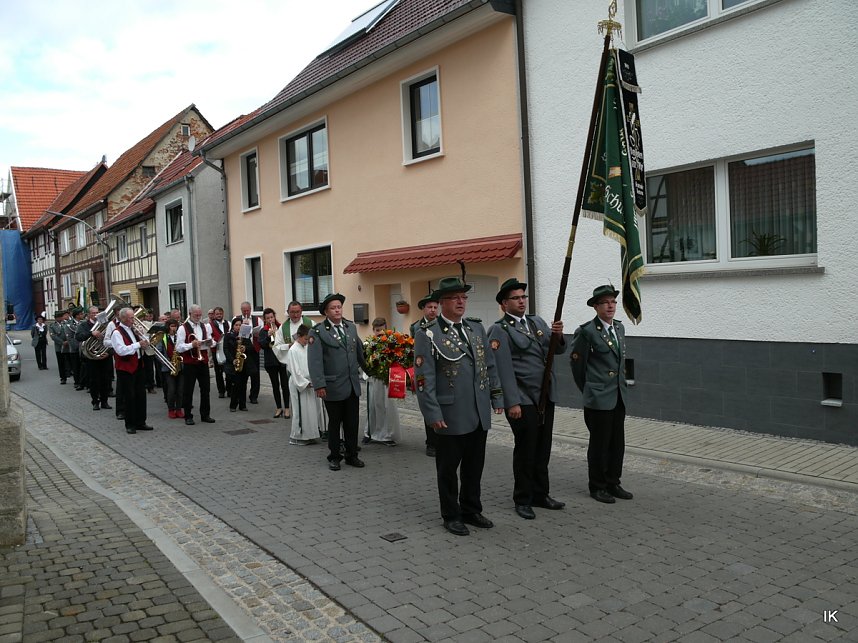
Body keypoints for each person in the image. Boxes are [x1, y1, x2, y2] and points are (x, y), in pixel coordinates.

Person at [414, 277, 504, 536]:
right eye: (455, 298)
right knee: (448, 468)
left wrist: (497, 397)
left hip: (478, 411)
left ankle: (471, 509)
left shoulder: (476, 329)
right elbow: (423, 379)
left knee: (474, 466)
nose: (461, 302)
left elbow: (490, 366)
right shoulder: (428, 333)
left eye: (464, 297)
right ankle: (451, 514)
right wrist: (432, 413)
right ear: (442, 302)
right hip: (450, 413)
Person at [488, 278, 566, 520]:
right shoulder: (500, 330)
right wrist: (511, 402)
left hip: (545, 394)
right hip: (523, 399)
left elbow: (556, 350)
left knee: (543, 447)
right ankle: (522, 499)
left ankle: (541, 494)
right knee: (526, 449)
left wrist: (558, 335)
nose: (521, 301)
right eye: (515, 298)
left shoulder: (535, 322)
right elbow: (502, 369)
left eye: (523, 296)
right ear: (504, 304)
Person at [571, 285, 632, 504]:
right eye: (605, 302)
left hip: (618, 395)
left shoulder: (619, 328)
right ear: (596, 307)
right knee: (599, 444)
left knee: (617, 443)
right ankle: (597, 486)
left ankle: (613, 482)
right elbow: (578, 366)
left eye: (613, 302)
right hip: (598, 397)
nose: (610, 306)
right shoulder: (587, 332)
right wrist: (590, 389)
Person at [308, 293, 368, 471]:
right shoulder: (318, 332)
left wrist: (371, 371)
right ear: (326, 312)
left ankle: (351, 455)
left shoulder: (350, 327)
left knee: (352, 423)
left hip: (352, 385)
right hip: (332, 386)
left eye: (339, 307)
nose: (337, 310)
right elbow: (315, 361)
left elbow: (359, 352)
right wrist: (319, 384)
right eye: (333, 308)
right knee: (334, 423)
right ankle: (334, 456)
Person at [111, 307, 153, 434]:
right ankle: (130, 424)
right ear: (123, 318)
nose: (133, 320)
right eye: (131, 318)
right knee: (129, 397)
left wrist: (143, 338)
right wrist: (138, 344)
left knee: (141, 395)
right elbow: (121, 350)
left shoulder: (133, 330)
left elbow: (142, 344)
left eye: (133, 317)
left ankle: (141, 422)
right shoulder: (117, 333)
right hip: (126, 368)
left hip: (138, 365)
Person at [410, 292, 440, 457]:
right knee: (429, 406)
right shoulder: (416, 327)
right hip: (425, 371)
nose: (433, 310)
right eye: (430, 307)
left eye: (435, 307)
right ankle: (431, 443)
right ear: (423, 309)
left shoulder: (442, 324)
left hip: (440, 371)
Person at [273, 301, 315, 417]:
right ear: (288, 312)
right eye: (292, 312)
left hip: (310, 364)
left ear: (301, 311)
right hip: (294, 367)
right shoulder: (283, 328)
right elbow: (276, 347)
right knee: (299, 402)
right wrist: (289, 346)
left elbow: (318, 340)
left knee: (313, 403)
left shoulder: (310, 323)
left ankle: (313, 422)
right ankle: (300, 422)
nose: (295, 315)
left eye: (297, 312)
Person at [363, 317, 401, 446]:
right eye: (377, 330)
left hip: (386, 381)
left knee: (388, 407)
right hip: (373, 380)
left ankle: (388, 435)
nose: (379, 333)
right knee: (373, 407)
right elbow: (363, 362)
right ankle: (370, 433)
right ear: (373, 330)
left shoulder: (391, 345)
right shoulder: (368, 344)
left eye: (382, 330)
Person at [177, 304, 216, 425]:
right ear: (190, 314)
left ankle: (205, 414)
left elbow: (211, 340)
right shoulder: (182, 328)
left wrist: (211, 343)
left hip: (203, 361)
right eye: (196, 315)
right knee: (188, 390)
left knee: (206, 389)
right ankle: (188, 416)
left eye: (200, 315)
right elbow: (179, 347)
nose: (198, 317)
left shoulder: (205, 326)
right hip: (190, 363)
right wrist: (191, 345)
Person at [285, 324, 324, 445]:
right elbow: (294, 370)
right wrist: (304, 383)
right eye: (305, 339)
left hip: (309, 382)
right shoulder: (293, 350)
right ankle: (297, 436)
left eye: (308, 339)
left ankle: (309, 435)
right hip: (299, 384)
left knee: (310, 411)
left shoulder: (306, 348)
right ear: (299, 336)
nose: (307, 342)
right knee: (300, 410)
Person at [76, 306, 113, 412]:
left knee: (106, 380)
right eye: (93, 313)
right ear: (88, 314)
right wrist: (91, 333)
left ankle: (104, 401)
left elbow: (113, 339)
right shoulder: (84, 325)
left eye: (97, 312)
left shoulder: (106, 324)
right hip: (91, 357)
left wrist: (108, 353)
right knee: (94, 381)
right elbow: (78, 336)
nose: (96, 315)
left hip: (105, 356)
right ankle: (95, 402)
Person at [259, 308, 290, 418]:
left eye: (271, 317)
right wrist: (268, 336)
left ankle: (287, 408)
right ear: (265, 319)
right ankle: (278, 408)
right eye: (268, 318)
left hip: (282, 360)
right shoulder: (263, 331)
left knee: (285, 385)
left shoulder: (281, 328)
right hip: (271, 362)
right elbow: (262, 345)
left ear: (274, 317)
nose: (270, 320)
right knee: (275, 386)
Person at [234, 301, 262, 404]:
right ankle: (241, 396)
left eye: (248, 310)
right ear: (241, 310)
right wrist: (242, 328)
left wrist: (258, 333)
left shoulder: (257, 319)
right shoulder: (236, 319)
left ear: (251, 309)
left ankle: (254, 396)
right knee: (243, 374)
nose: (246, 312)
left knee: (255, 374)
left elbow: (262, 332)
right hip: (242, 349)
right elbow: (233, 332)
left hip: (254, 350)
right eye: (244, 310)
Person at [156, 318, 184, 418]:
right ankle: (171, 409)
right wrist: (166, 362)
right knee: (171, 390)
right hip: (168, 367)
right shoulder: (163, 337)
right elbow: (158, 352)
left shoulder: (179, 337)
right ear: (168, 327)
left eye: (175, 326)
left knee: (180, 390)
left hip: (180, 367)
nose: (174, 328)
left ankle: (179, 409)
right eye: (172, 326)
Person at [223, 317, 250, 412]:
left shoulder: (245, 335)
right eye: (236, 325)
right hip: (233, 363)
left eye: (240, 325)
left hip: (243, 363)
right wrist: (232, 360)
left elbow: (250, 347)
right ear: (233, 326)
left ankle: (243, 405)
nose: (238, 327)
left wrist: (245, 347)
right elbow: (225, 349)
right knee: (235, 385)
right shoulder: (228, 336)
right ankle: (233, 405)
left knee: (243, 384)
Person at [208, 307, 229, 399]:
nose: (219, 315)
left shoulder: (228, 323)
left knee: (228, 371)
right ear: (214, 315)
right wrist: (215, 342)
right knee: (218, 372)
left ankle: (229, 389)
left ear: (223, 313)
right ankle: (221, 391)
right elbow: (209, 337)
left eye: (220, 313)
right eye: (217, 314)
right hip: (216, 351)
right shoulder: (209, 325)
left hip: (227, 350)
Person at [65, 307, 85, 389]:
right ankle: (77, 382)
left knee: (83, 366)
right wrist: (76, 347)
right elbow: (69, 338)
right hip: (75, 349)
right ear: (77, 315)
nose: (83, 315)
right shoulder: (69, 324)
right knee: (76, 367)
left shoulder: (83, 323)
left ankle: (84, 382)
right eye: (81, 314)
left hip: (83, 348)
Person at [49, 310, 69, 383]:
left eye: (62, 316)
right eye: (60, 317)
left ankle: (69, 373)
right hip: (59, 347)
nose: (62, 318)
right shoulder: (52, 326)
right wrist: (62, 342)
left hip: (68, 346)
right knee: (61, 363)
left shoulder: (67, 323)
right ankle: (63, 378)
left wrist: (68, 341)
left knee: (69, 361)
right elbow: (53, 336)